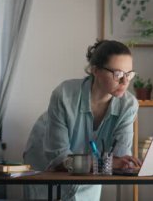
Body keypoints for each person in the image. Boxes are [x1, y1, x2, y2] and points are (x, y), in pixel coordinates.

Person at [43, 40, 141, 200]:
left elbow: (120, 159)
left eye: (129, 74)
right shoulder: (64, 95)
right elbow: (59, 159)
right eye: (118, 74)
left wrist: (115, 163)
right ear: (95, 70)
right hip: (46, 162)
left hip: (91, 173)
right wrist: (108, 163)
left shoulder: (129, 105)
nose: (125, 82)